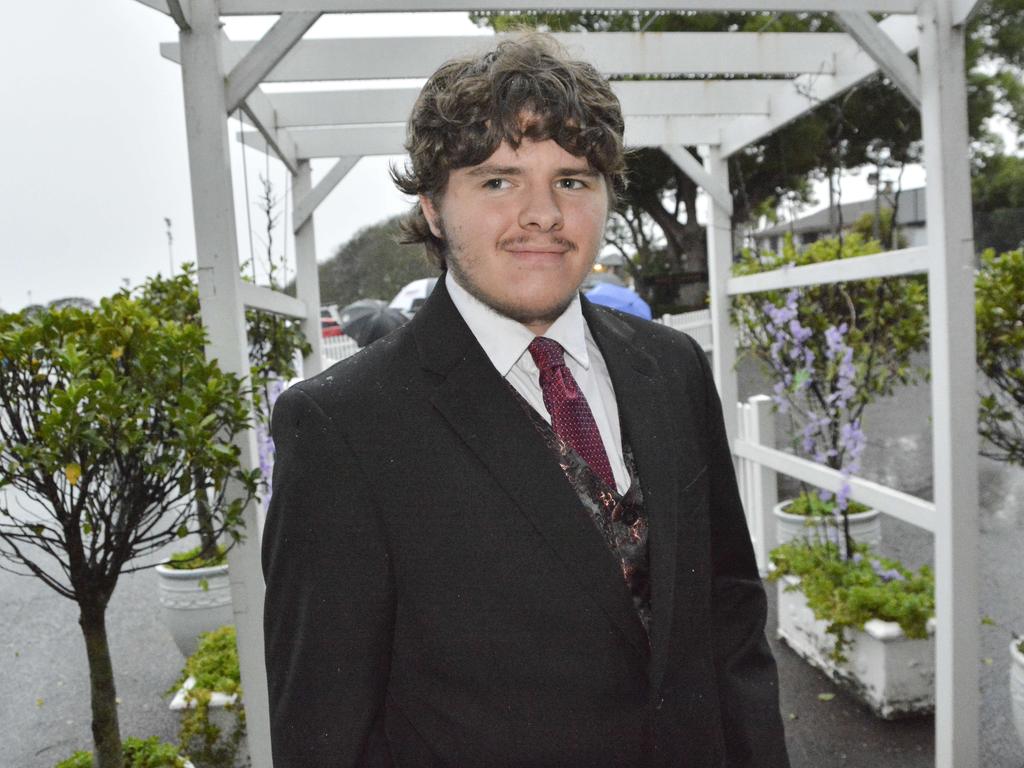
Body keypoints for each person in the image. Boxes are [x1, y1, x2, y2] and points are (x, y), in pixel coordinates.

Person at [262, 33, 790, 768]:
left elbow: (729, 613)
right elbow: (324, 730)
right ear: (435, 209)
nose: (543, 214)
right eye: (499, 180)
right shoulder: (341, 425)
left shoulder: (673, 367)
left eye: (572, 180)